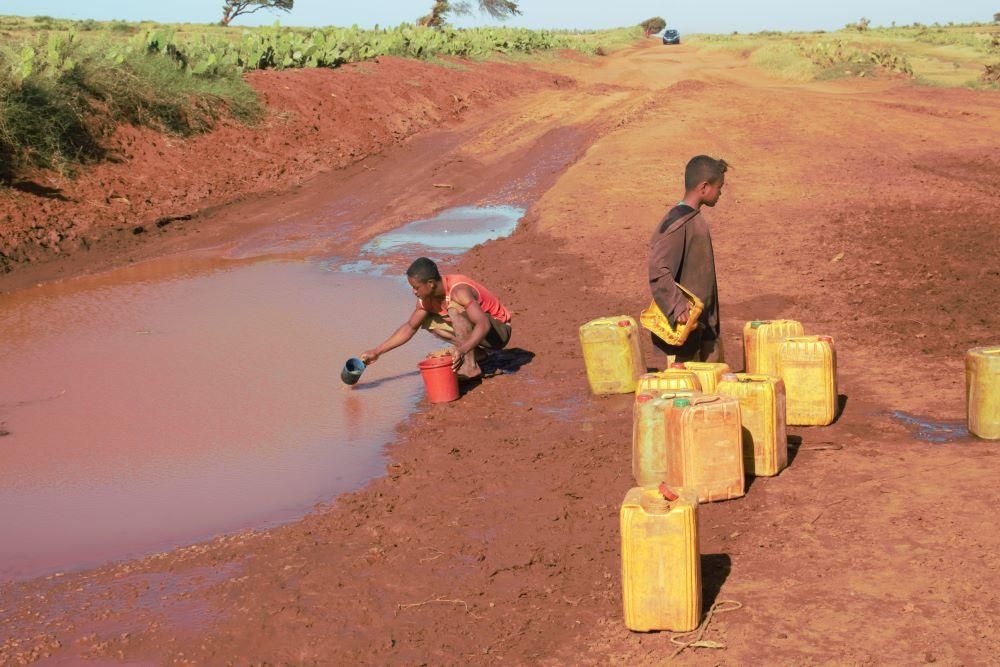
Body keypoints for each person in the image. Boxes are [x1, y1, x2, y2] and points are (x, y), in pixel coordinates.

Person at [361, 257, 512, 379]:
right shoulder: (426, 300)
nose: (414, 291)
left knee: (454, 309)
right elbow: (410, 327)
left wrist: (462, 349)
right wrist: (377, 352)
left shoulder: (458, 291)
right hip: (479, 334)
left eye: (416, 287)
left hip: (499, 332)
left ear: (431, 283)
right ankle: (477, 354)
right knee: (427, 320)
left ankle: (470, 368)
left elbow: (483, 324)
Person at [647, 155, 728, 364]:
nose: (720, 193)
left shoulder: (694, 218)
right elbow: (658, 269)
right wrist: (677, 305)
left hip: (703, 323)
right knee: (688, 377)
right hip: (686, 329)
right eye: (719, 187)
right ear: (704, 187)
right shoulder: (678, 223)